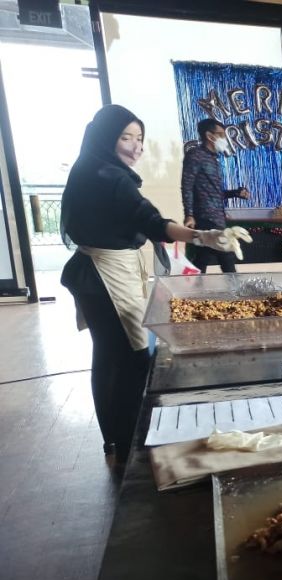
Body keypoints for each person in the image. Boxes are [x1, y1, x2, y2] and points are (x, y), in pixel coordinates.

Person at [60, 105, 238, 464]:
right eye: (126, 137)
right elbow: (150, 220)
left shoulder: (94, 168)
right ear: (105, 137)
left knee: (109, 355)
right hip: (106, 275)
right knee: (130, 358)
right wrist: (201, 236)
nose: (136, 146)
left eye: (139, 138)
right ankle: (128, 442)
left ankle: (115, 437)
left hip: (104, 270)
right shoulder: (106, 176)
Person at [181, 118, 251, 274]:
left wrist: (235, 193)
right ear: (209, 136)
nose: (224, 138)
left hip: (217, 217)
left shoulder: (213, 159)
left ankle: (192, 286)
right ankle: (235, 291)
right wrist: (189, 215)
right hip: (205, 217)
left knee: (205, 256)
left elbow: (214, 192)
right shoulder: (195, 155)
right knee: (226, 256)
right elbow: (187, 186)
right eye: (221, 134)